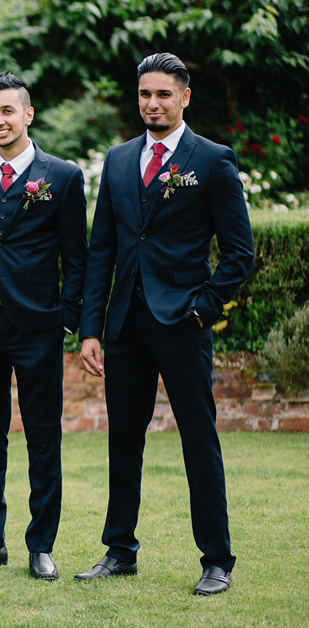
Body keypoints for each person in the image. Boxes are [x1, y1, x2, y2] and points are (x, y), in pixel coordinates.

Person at [76, 52, 253, 595]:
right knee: (122, 443)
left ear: (184, 98)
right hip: (126, 324)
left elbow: (239, 254)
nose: (152, 103)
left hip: (182, 324)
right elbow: (101, 249)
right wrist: (90, 329)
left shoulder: (213, 160)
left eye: (163, 95)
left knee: (199, 440)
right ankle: (119, 550)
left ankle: (217, 559)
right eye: (145, 94)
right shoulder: (120, 158)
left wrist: (202, 308)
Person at [0, 72, 88, 580]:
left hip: (38, 327)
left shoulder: (62, 176)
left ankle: (41, 545)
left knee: (43, 436)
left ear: (28, 114)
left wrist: (68, 320)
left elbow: (78, 257)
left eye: (7, 111)